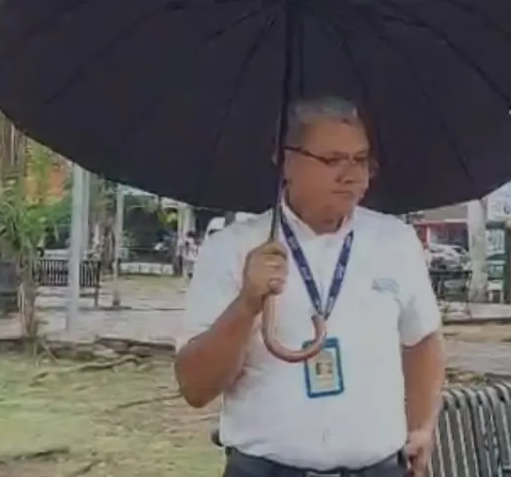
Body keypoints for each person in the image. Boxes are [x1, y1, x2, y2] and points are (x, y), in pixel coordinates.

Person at [174, 96, 445, 477]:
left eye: (361, 159)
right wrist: (247, 304)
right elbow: (195, 388)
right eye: (333, 160)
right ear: (285, 160)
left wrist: (423, 426)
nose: (351, 175)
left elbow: (423, 340)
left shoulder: (395, 241)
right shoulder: (233, 248)